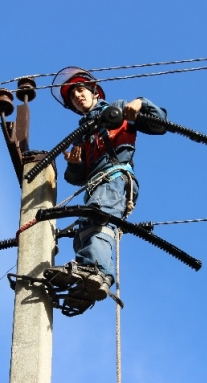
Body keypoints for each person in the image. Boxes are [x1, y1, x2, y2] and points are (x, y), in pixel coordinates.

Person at [44, 67, 167, 314]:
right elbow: (76, 179)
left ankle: (95, 270)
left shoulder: (117, 110)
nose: (78, 97)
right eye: (73, 97)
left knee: (97, 216)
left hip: (115, 179)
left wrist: (140, 104)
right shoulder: (82, 136)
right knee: (84, 228)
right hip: (95, 185)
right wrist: (75, 165)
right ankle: (87, 280)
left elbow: (159, 124)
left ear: (93, 91)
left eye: (80, 91)